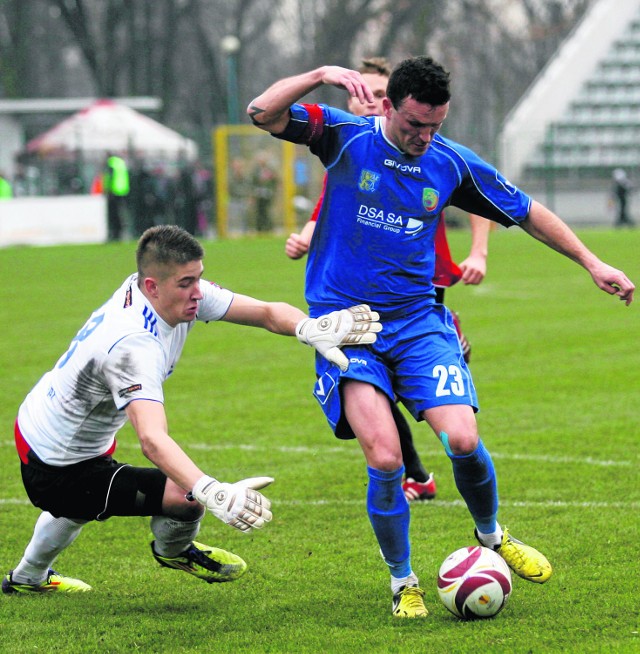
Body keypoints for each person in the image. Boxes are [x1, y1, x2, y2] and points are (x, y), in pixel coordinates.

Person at [248, 56, 635, 618]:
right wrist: (319, 75)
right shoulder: (344, 135)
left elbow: (527, 211)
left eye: (434, 126)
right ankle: (403, 581)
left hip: (417, 323)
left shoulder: (451, 162)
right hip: (347, 326)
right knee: (384, 458)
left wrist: (592, 263)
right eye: (413, 126)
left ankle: (492, 536)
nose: (424, 138)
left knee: (461, 438)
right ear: (387, 107)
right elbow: (262, 111)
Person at [2, 224, 381, 595]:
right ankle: (174, 551)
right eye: (186, 283)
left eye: (199, 278)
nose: (198, 292)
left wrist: (309, 328)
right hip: (56, 463)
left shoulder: (165, 292)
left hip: (48, 426)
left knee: (80, 506)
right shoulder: (133, 345)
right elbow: (151, 439)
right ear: (152, 286)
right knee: (185, 499)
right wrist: (212, 492)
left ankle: (27, 578)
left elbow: (266, 312)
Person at [284, 57, 492, 502]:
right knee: (374, 396)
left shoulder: (436, 156)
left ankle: (443, 336)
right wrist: (305, 235)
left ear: (390, 102)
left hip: (419, 289)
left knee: (415, 394)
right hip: (356, 301)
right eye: (361, 94)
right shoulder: (353, 146)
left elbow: (482, 198)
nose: (367, 103)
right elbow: (333, 205)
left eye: (376, 94)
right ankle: (413, 473)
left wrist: (479, 250)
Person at [103, 152, 130, 241]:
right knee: (120, 213)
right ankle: (121, 232)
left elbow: (110, 177)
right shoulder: (121, 163)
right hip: (122, 191)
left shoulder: (111, 163)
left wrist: (108, 190)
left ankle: (114, 233)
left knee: (113, 214)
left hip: (113, 192)